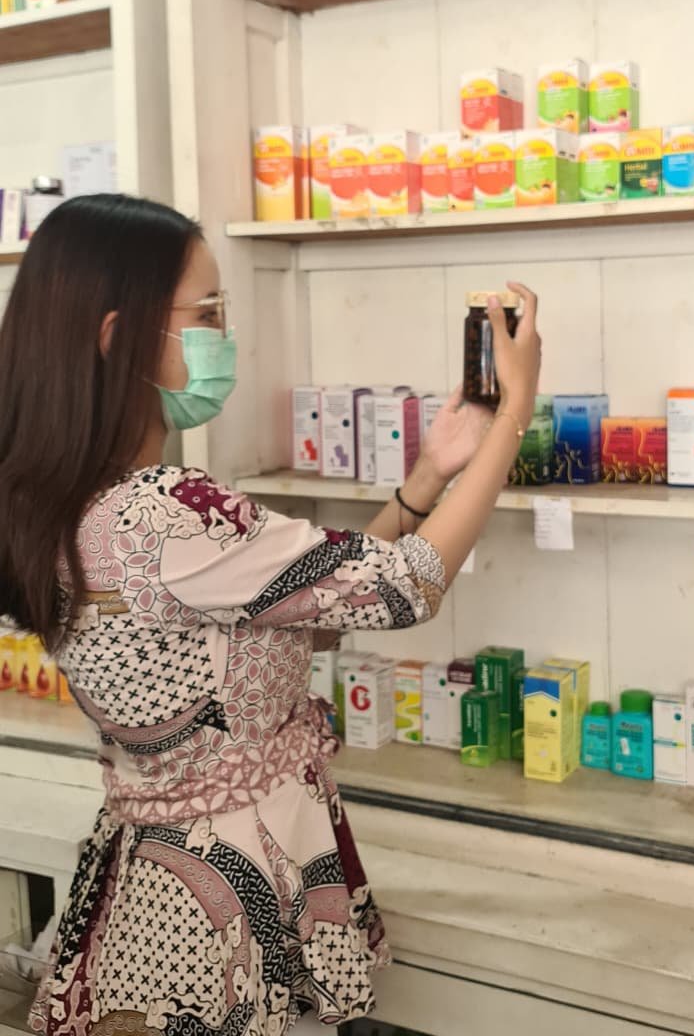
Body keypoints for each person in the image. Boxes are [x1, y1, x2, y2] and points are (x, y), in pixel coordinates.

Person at [0, 194, 541, 1035]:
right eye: (207, 313)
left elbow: (304, 604)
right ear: (117, 336)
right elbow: (407, 587)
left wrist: (429, 478)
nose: (225, 337)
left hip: (158, 881)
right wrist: (514, 413)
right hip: (220, 900)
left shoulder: (78, 505)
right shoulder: (165, 513)